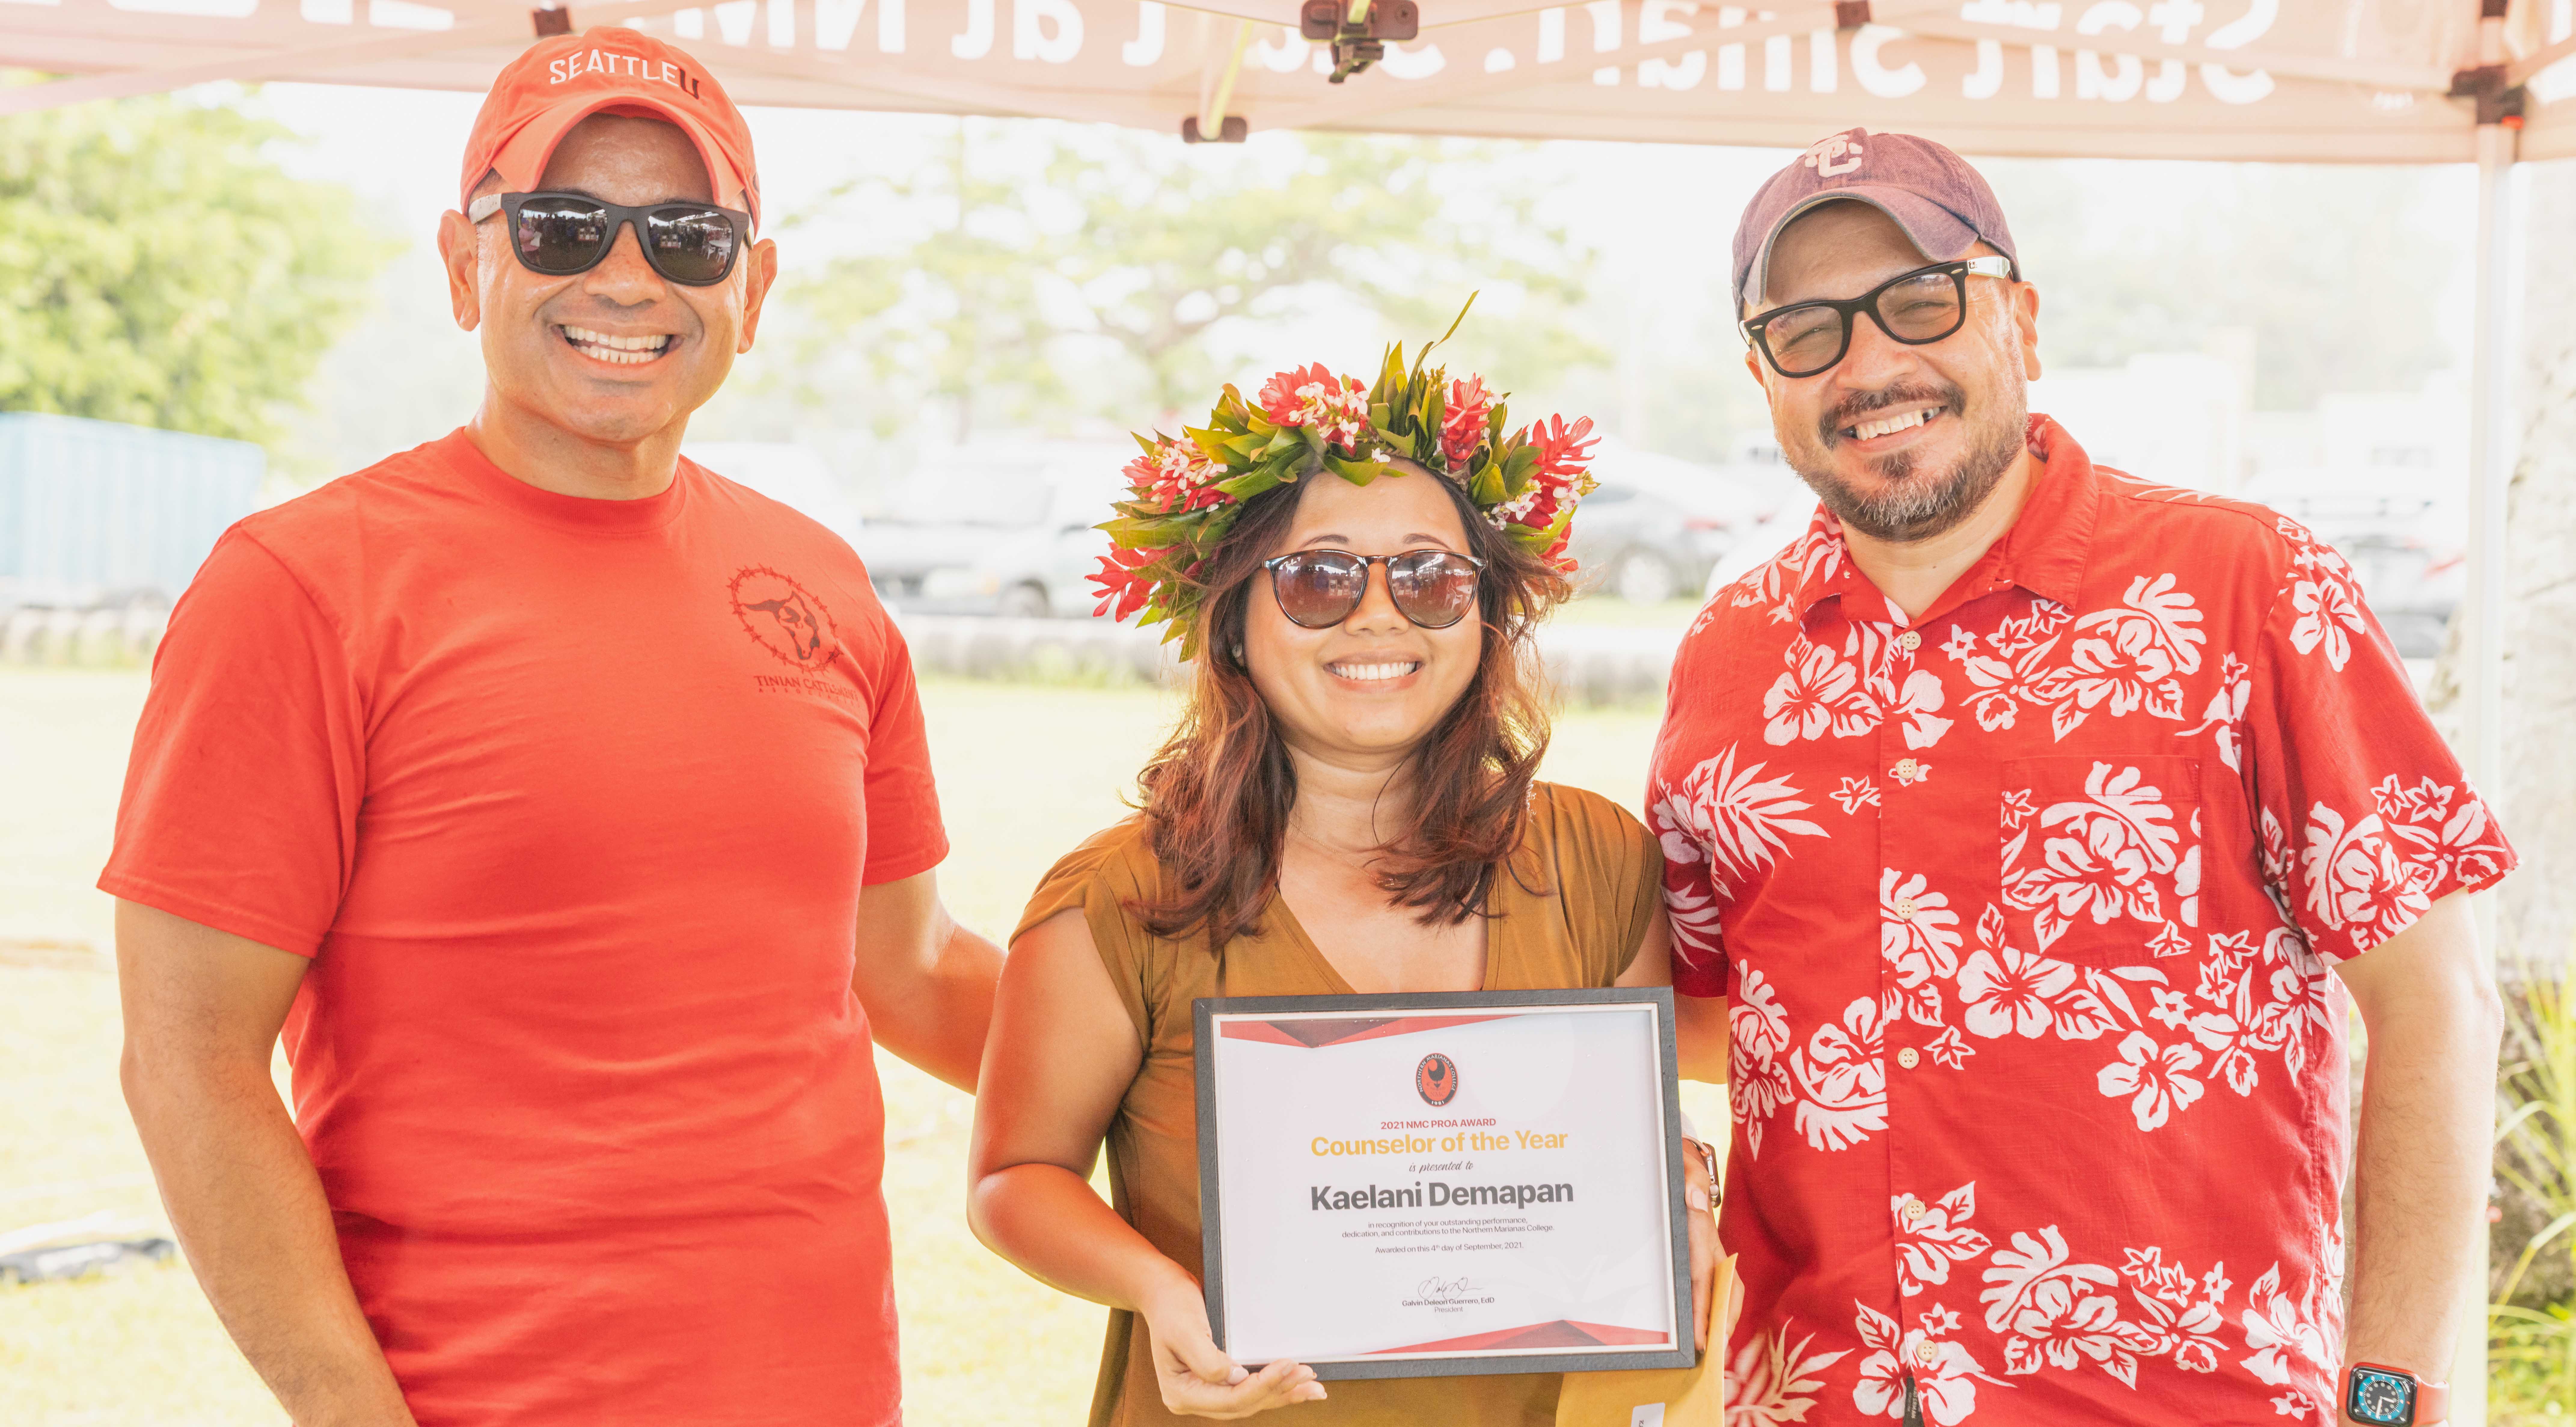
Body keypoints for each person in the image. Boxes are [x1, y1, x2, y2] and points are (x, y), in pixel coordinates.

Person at [104, 29, 997, 1427]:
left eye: (689, 237)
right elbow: (189, 1061)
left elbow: (917, 970)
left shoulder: (823, 583)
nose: (627, 277)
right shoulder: (302, 583)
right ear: (467, 266)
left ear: (752, 290)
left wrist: (1225, 1066)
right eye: (564, 225)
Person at [1651, 127, 2513, 1426]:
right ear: (1763, 374)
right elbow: (1720, 1009)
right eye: (1808, 329)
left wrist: (2391, 1393)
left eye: (1919, 302)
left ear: (2021, 321)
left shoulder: (2244, 588)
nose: (1871, 364)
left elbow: (2434, 998)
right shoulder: (1726, 653)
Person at [968, 336, 1728, 1423]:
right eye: (1319, 578)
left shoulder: (1597, 858)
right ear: (1231, 617)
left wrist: (1684, 1186)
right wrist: (1160, 1292)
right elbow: (1014, 1178)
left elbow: (1633, 1122)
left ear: (1482, 611)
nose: (1380, 614)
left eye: (1429, 575)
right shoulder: (1117, 897)